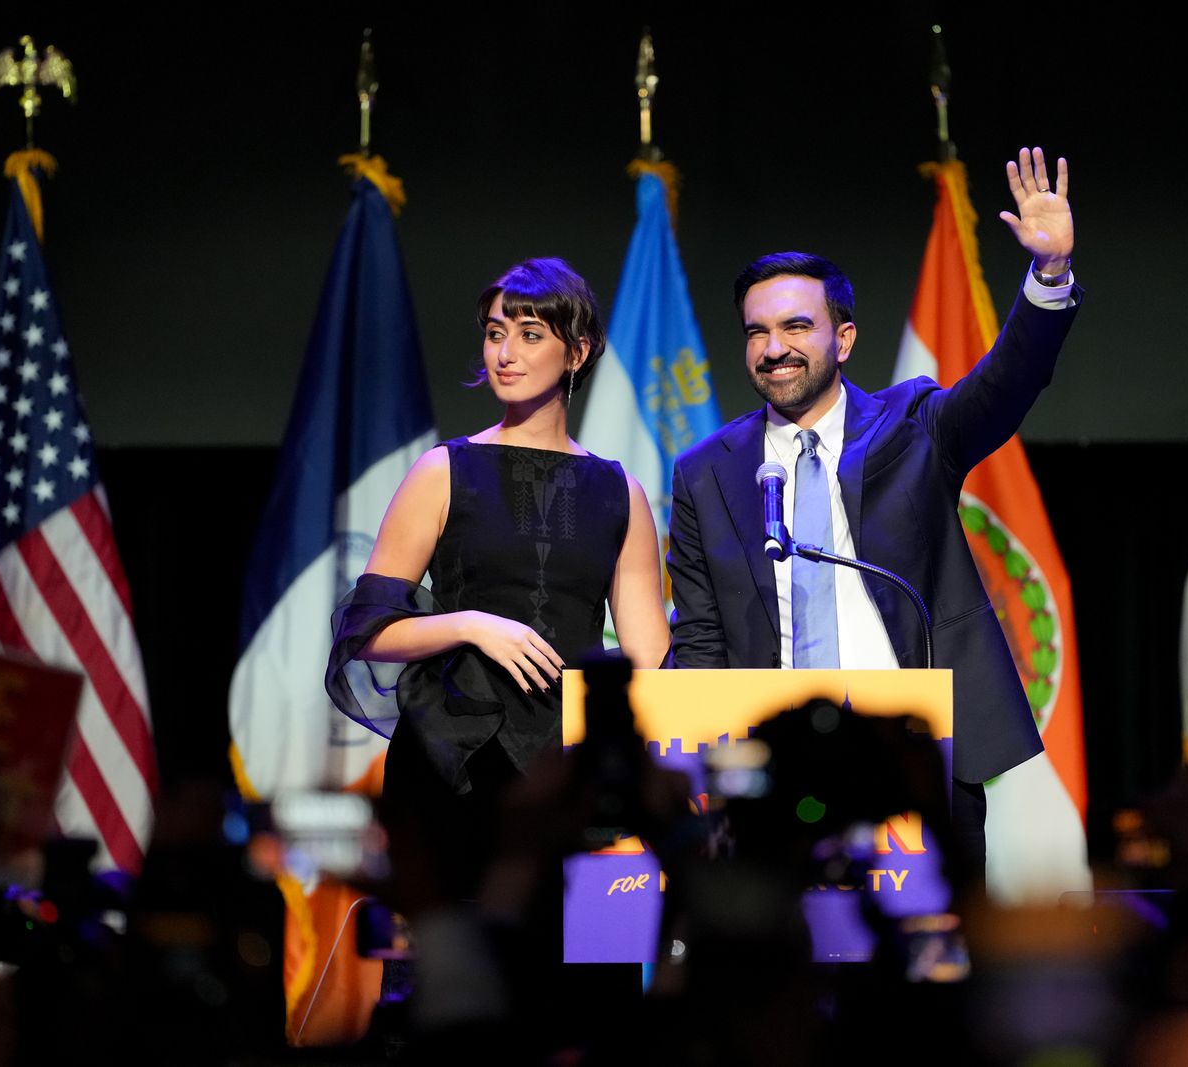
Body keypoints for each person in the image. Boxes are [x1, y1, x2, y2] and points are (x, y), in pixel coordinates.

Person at [665, 147, 1081, 874]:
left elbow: (1006, 384)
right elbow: (700, 637)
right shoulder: (706, 472)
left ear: (843, 337)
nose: (774, 349)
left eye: (796, 326)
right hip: (772, 766)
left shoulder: (914, 424)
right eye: (757, 332)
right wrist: (704, 765)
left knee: (924, 974)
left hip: (914, 754)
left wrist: (1048, 276)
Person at [325, 256, 670, 901]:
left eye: (530, 334)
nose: (505, 353)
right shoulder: (442, 470)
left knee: (577, 976)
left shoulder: (620, 491)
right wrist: (471, 624)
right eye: (494, 332)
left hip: (570, 769)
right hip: (453, 754)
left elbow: (648, 656)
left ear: (578, 352)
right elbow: (367, 632)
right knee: (459, 972)